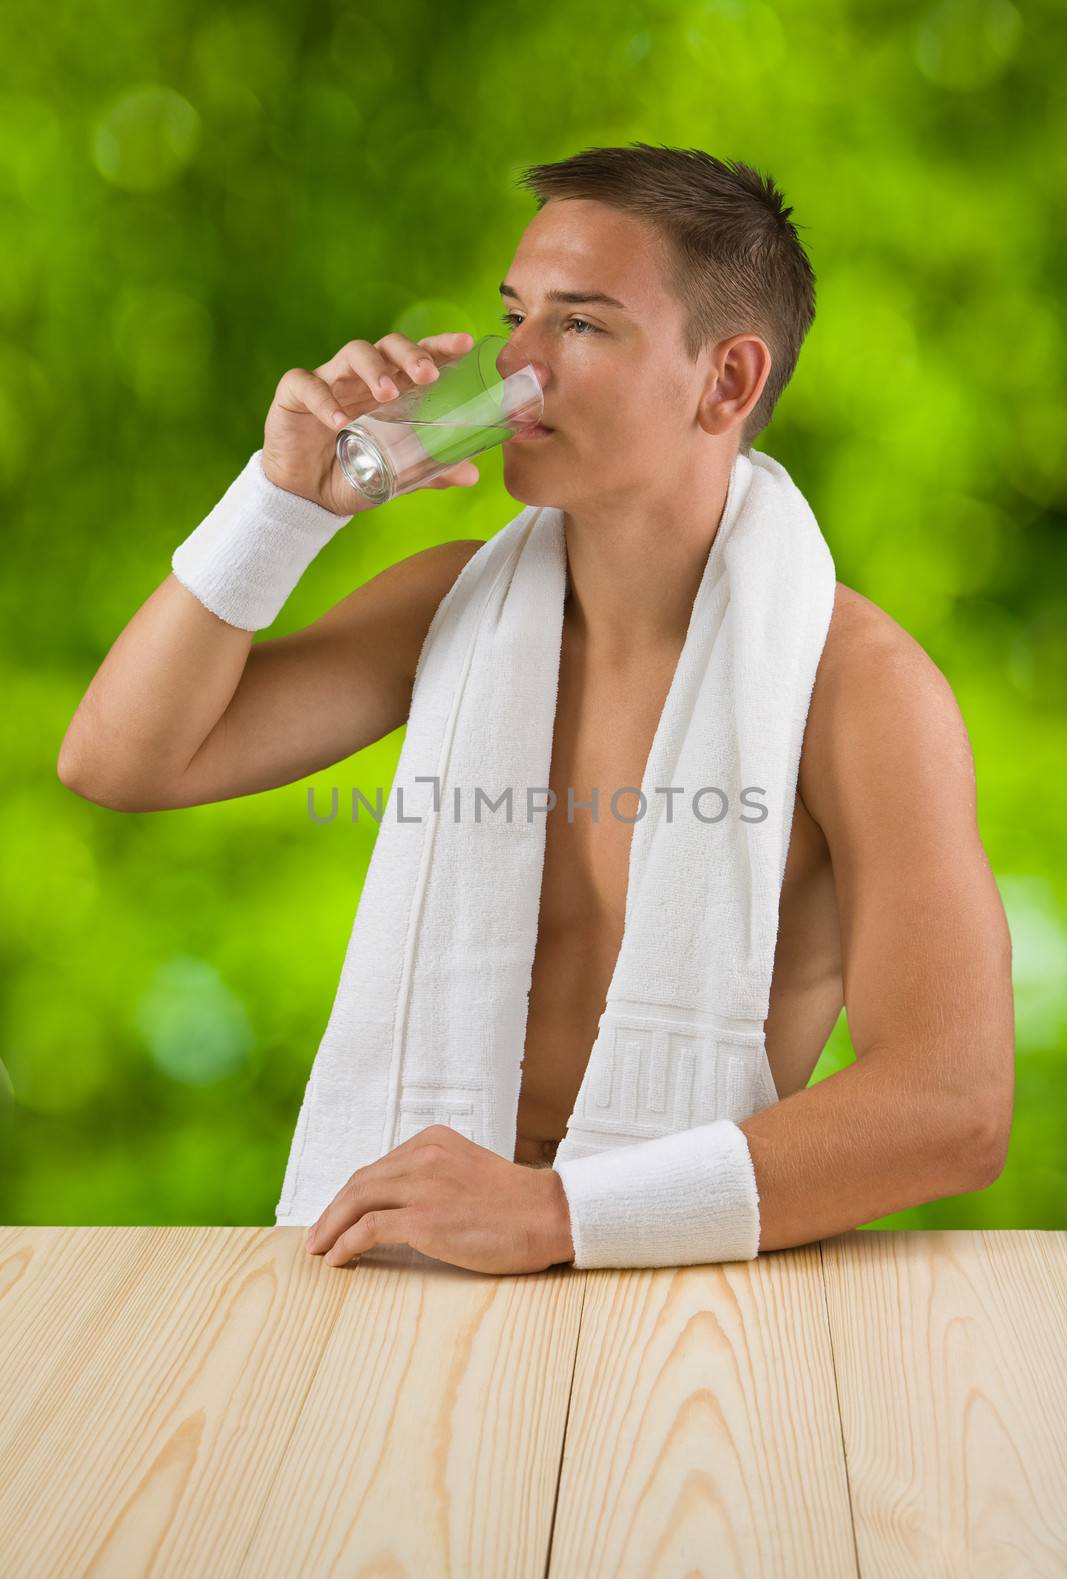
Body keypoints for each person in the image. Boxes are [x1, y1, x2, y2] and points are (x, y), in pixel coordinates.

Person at [58, 145, 1014, 1272]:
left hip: (682, 1287)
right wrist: (281, 504)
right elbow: (120, 761)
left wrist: (560, 1214)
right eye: (513, 316)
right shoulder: (448, 607)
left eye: (581, 325)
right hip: (409, 1259)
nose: (514, 367)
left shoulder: (852, 685)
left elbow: (951, 1106)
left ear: (726, 381)